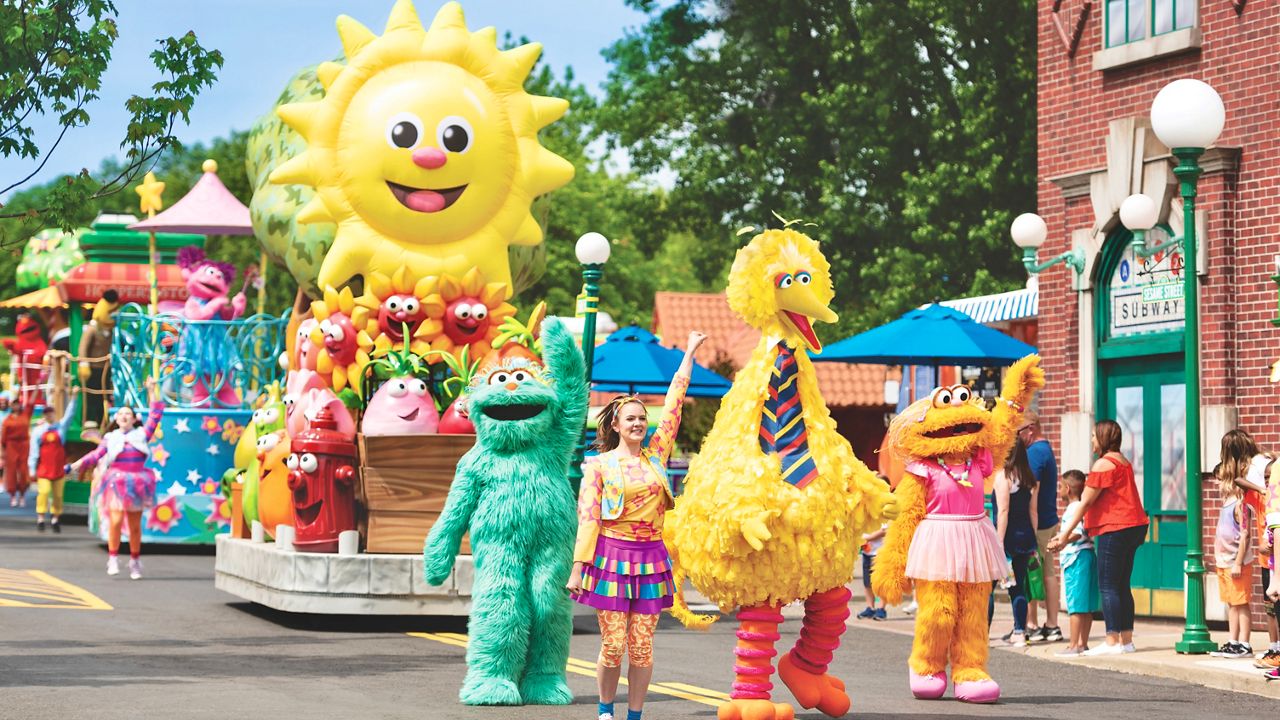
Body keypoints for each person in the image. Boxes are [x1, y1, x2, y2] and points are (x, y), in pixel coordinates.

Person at [568, 331, 706, 720]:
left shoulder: (656, 456)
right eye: (631, 418)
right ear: (614, 423)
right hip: (610, 557)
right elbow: (589, 518)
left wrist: (690, 352)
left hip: (650, 560)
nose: (639, 424)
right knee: (613, 645)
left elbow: (676, 400)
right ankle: (605, 710)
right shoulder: (598, 466)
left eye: (643, 419)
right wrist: (579, 568)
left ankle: (634, 715)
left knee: (642, 646)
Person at [1049, 419, 1148, 656]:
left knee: (1109, 586)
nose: (1092, 440)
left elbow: (1085, 503)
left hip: (1115, 527)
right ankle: (1126, 640)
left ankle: (1112, 641)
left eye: (1094, 436)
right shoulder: (1123, 461)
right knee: (1122, 585)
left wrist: (1063, 536)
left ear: (1102, 438)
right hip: (1134, 526)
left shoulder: (1103, 464)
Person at [70, 377, 162, 580]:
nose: (123, 416)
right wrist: (78, 463)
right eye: (120, 413)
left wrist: (152, 390)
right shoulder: (111, 438)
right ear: (117, 418)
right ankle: (113, 557)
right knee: (116, 521)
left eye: (127, 413)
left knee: (135, 526)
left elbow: (156, 414)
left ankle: (135, 560)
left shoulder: (141, 434)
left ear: (134, 418)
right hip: (117, 482)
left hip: (137, 481)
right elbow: (96, 455)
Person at [1216, 429, 1280, 664]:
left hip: (1273, 541)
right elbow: (1238, 480)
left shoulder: (1260, 464)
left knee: (1275, 599)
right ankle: (1275, 648)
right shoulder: (1248, 473)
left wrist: (1264, 487)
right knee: (1270, 603)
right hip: (1269, 544)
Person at [1020, 412, 1062, 642]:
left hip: (1038, 523)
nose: (1017, 437)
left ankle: (1033, 623)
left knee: (1035, 572)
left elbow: (1032, 492)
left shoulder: (1035, 453)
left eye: (1019, 432)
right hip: (1047, 520)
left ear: (1031, 429)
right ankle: (1050, 625)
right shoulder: (1045, 450)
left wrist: (1029, 523)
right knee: (1045, 572)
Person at [994, 436, 1038, 647]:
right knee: (1018, 586)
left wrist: (998, 542)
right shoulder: (1030, 479)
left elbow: (1003, 511)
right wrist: (1034, 540)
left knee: (987, 587)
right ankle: (1020, 631)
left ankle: (981, 633)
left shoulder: (1004, 476)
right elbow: (1033, 512)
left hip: (1007, 538)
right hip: (1025, 537)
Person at [1051, 470, 1100, 657]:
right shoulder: (1083, 506)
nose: (1060, 490)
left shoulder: (1073, 508)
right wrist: (1059, 538)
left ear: (1068, 488)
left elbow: (1076, 532)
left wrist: (1062, 542)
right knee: (1086, 604)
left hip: (1076, 558)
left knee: (1075, 605)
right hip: (1087, 555)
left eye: (1061, 487)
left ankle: (1073, 646)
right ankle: (1082, 643)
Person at [1211, 468, 1254, 658]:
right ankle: (1233, 641)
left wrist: (1238, 562)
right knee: (1231, 603)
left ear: (1229, 480)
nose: (1216, 483)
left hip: (1236, 563)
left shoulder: (1240, 505)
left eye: (1219, 480)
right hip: (1224, 562)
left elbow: (1245, 534)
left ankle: (1244, 643)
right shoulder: (1226, 503)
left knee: (1241, 603)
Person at [28, 388, 79, 532]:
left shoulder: (61, 427)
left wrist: (74, 397)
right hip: (44, 468)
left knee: (58, 495)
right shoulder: (38, 431)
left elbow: (70, 414)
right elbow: (33, 451)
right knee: (43, 492)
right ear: (44, 415)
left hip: (58, 468)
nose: (49, 415)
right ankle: (41, 518)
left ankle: (55, 518)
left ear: (54, 414)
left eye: (51, 412)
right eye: (47, 413)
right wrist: (31, 468)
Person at [858, 474, 891, 620]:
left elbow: (885, 530)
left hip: (881, 551)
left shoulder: (889, 506)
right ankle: (870, 607)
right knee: (867, 582)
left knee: (881, 582)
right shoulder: (867, 505)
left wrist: (868, 539)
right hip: (867, 551)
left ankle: (881, 608)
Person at [3, 400, 32, 507]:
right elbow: (3, 438)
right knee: (11, 471)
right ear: (11, 406)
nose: (16, 406)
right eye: (14, 404)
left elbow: (31, 403)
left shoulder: (25, 415)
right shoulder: (7, 420)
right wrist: (2, 453)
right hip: (11, 446)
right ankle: (13, 496)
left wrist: (37, 386)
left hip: (24, 445)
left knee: (23, 470)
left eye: (17, 404)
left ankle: (22, 495)